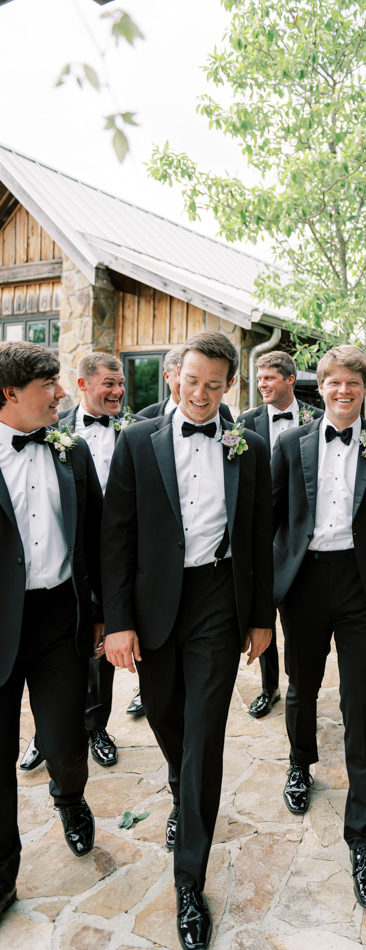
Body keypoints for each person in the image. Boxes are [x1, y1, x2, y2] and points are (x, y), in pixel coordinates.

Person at [102, 331, 274, 950]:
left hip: (218, 603)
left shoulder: (248, 447)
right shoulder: (135, 441)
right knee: (169, 717)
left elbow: (257, 536)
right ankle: (183, 786)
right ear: (174, 375)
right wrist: (118, 622)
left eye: (214, 384)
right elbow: (116, 538)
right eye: (192, 380)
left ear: (230, 386)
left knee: (205, 733)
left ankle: (188, 881)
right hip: (153, 608)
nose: (201, 394)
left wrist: (261, 617)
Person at [272, 345, 366, 908]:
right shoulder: (290, 444)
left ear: (365, 388)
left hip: (362, 590)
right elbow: (273, 521)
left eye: (353, 382)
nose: (343, 391)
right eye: (334, 382)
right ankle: (300, 763)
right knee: (302, 689)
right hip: (304, 584)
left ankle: (361, 838)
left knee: (360, 705)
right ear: (321, 387)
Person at [0, 341, 103, 916]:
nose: (62, 395)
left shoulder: (73, 451)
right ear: (10, 394)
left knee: (65, 737)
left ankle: (71, 799)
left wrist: (105, 614)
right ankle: (2, 872)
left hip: (61, 617)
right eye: (49, 386)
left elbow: (95, 534)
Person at [19, 353, 142, 775]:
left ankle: (98, 726)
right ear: (84, 384)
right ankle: (45, 735)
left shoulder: (137, 430)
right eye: (109, 383)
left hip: (120, 551)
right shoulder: (53, 430)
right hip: (71, 554)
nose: (118, 391)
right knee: (51, 666)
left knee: (101, 644)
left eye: (121, 383)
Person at [238, 350, 323, 719]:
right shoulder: (245, 421)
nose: (262, 385)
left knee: (300, 617)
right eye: (259, 379)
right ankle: (269, 686)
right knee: (263, 609)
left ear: (290, 380)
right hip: (260, 528)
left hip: (301, 530)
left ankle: (299, 687)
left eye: (269, 378)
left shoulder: (318, 419)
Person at [137, 346, 234, 424]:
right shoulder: (145, 416)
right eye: (180, 376)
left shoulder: (222, 410)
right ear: (166, 377)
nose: (183, 383)